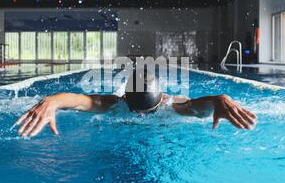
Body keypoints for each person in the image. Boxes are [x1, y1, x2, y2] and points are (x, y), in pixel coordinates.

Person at [16, 70, 257, 138]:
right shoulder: (116, 103)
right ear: (125, 99)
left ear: (160, 101)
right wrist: (51, 101)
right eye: (136, 112)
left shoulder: (170, 104)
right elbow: (81, 101)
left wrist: (219, 100)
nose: (141, 117)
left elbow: (196, 109)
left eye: (147, 112)